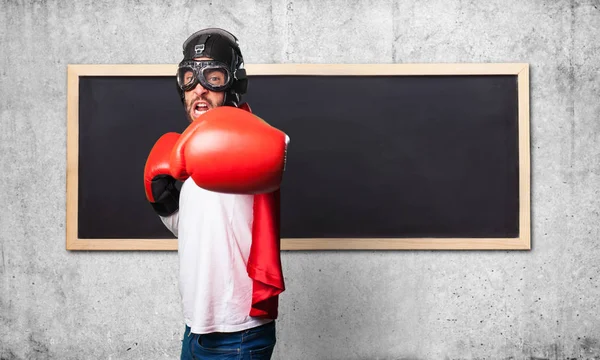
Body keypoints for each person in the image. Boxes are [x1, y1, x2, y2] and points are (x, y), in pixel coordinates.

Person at [143, 27, 289, 359]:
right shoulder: (192, 154)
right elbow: (196, 229)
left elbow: (276, 151)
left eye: (214, 78)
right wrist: (165, 205)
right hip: (195, 327)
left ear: (234, 85)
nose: (200, 90)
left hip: (238, 333)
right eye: (189, 80)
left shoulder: (253, 142)